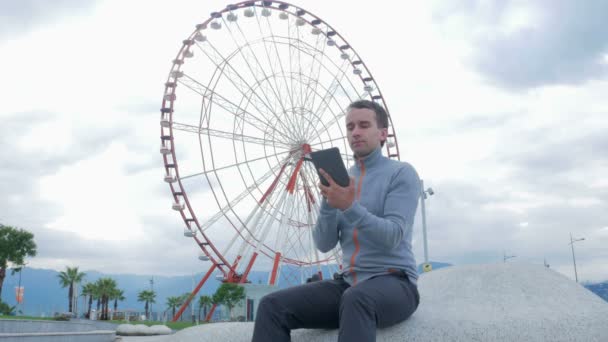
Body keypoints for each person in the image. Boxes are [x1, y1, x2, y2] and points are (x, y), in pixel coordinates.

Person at [251, 100, 421, 342]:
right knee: (271, 306)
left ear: (382, 133)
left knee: (357, 298)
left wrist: (349, 207)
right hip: (348, 283)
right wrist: (329, 203)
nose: (356, 132)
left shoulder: (401, 173)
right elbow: (324, 243)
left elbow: (393, 237)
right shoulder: (343, 179)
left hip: (395, 283)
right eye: (350, 127)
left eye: (364, 125)